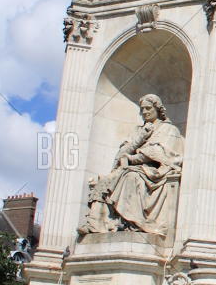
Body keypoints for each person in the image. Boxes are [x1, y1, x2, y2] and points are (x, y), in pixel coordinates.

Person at [79, 94, 184, 238]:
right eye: (142, 109)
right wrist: (140, 139)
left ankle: (133, 223)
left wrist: (132, 158)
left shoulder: (169, 130)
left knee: (131, 177)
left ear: (158, 109)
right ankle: (94, 223)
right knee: (105, 180)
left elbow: (160, 153)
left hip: (154, 172)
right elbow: (121, 153)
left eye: (148, 108)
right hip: (131, 168)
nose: (145, 112)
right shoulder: (138, 130)